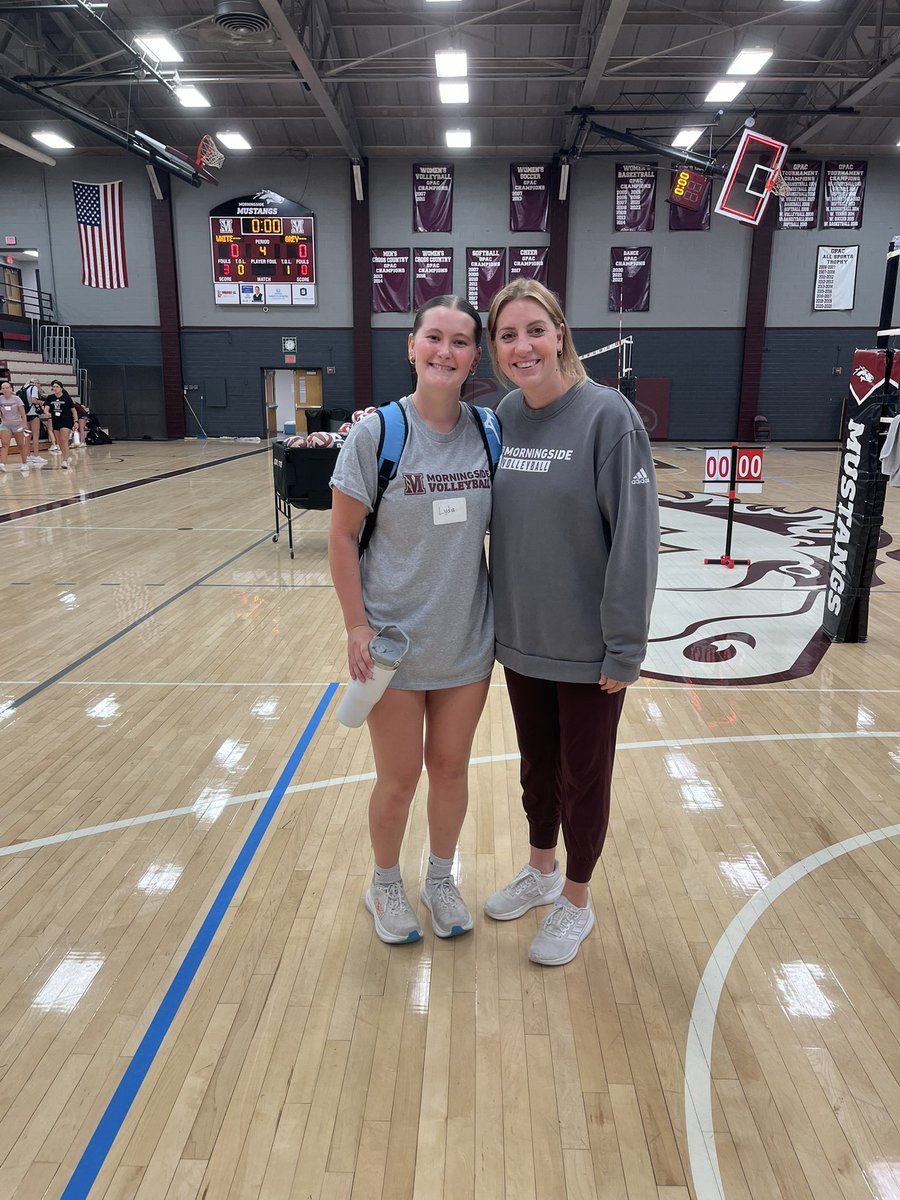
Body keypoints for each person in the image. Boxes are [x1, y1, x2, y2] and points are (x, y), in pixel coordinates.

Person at [483, 278, 659, 966]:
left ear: (560, 334)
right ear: (497, 350)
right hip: (523, 641)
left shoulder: (609, 418)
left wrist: (625, 648)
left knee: (585, 777)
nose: (522, 346)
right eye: (507, 335)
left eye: (534, 330)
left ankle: (575, 902)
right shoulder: (504, 415)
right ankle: (540, 869)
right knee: (537, 768)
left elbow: (634, 541)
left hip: (590, 652)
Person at [328, 295, 494, 945]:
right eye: (434, 338)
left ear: (474, 356)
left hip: (466, 643)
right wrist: (357, 627)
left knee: (451, 771)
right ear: (411, 346)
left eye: (459, 342)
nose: (444, 352)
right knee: (397, 779)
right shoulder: (377, 434)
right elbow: (342, 537)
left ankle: (441, 879)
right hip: (393, 648)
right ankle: (385, 885)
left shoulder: (489, 431)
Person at [45, 380, 76, 469]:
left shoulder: (66, 398)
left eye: (57, 387)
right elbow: (46, 408)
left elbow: (73, 410)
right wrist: (47, 412)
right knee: (60, 442)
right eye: (54, 387)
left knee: (64, 439)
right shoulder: (50, 398)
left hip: (66, 421)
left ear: (61, 389)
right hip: (56, 421)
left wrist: (76, 421)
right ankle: (66, 456)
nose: (55, 389)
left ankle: (65, 460)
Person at [0, 380, 30, 474]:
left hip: (17, 424)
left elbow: (23, 413)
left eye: (7, 388)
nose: (5, 389)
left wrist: (24, 424)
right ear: (1, 390)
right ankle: (2, 464)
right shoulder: (0, 399)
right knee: (5, 444)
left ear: (11, 389)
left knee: (21, 445)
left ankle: (24, 463)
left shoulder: (16, 399)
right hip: (5, 424)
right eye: (3, 388)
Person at [21, 379, 47, 467]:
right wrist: (41, 402)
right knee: (36, 435)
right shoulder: (34, 388)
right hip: (33, 413)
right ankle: (36, 455)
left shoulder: (25, 387)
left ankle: (27, 455)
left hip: (26, 413)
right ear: (35, 383)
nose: (39, 385)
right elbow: (33, 400)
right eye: (39, 383)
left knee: (27, 436)